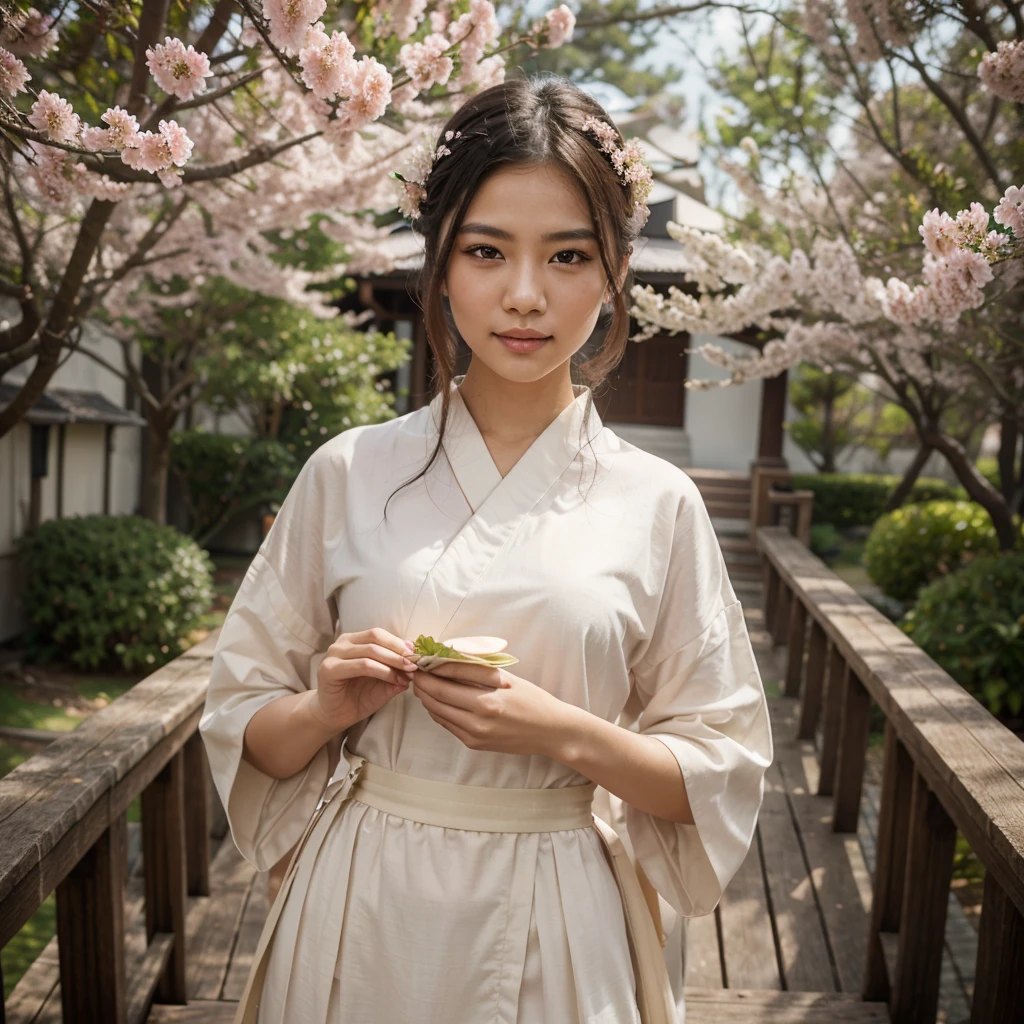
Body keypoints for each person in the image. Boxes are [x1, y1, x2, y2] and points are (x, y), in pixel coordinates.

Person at [200, 75, 773, 1024]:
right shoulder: (347, 471)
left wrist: (562, 733)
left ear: (615, 272)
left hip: (560, 904)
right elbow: (242, 716)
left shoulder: (658, 501)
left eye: (568, 256)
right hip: (360, 897)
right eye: (486, 250)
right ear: (439, 264)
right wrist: (321, 707)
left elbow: (719, 768)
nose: (524, 294)